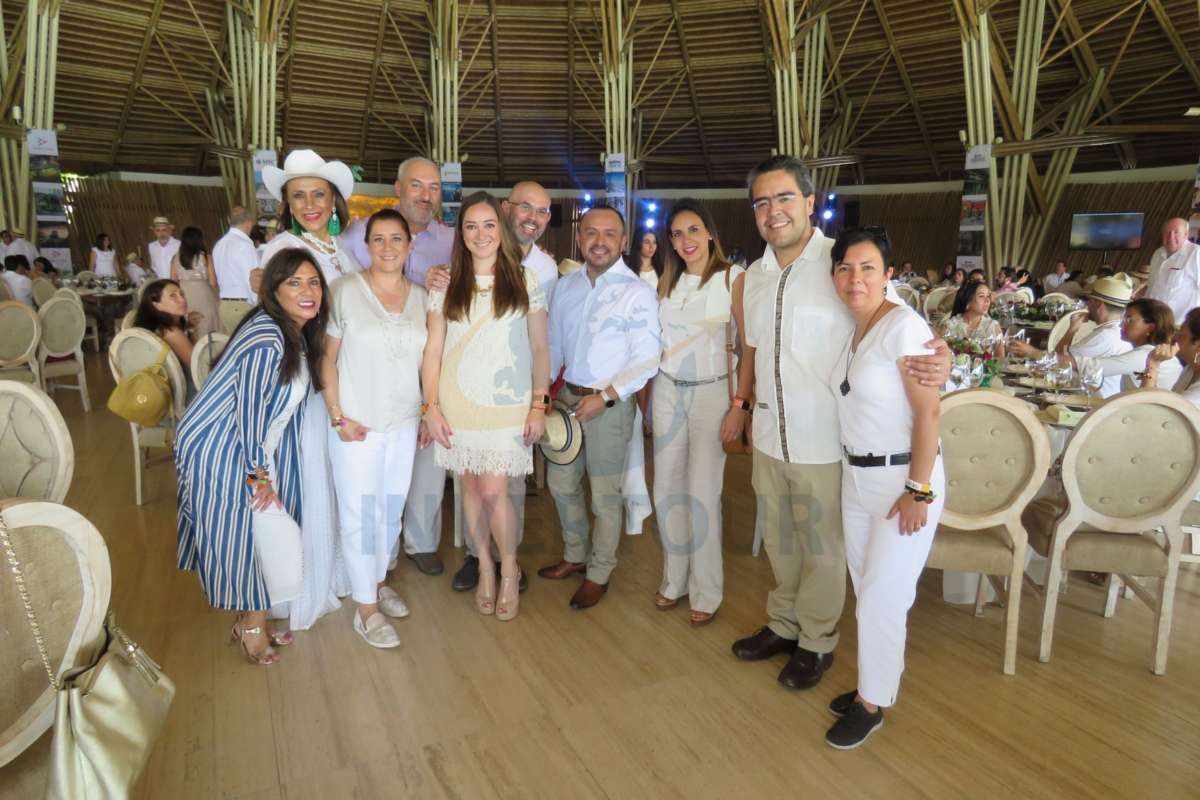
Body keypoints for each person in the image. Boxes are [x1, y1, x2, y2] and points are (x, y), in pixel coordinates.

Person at [729, 155, 949, 693]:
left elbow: (896, 322)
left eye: (784, 199)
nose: (773, 211)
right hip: (769, 432)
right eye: (762, 202)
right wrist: (739, 402)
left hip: (825, 436)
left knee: (820, 547)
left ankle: (817, 641)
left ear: (808, 203)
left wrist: (943, 359)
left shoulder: (843, 262)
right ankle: (784, 624)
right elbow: (752, 347)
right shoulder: (753, 277)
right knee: (781, 541)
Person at [175, 248, 328, 665]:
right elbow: (249, 413)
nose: (307, 290)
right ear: (273, 291)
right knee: (264, 534)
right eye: (294, 282)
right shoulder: (267, 338)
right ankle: (253, 627)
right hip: (223, 447)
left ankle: (251, 618)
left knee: (262, 534)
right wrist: (259, 477)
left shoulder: (290, 333)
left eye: (313, 281)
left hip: (251, 447)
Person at [823, 227, 944, 749]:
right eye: (846, 268)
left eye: (868, 267)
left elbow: (929, 410)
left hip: (904, 481)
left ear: (889, 274)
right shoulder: (857, 327)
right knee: (866, 586)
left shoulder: (903, 327)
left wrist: (919, 490)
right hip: (859, 477)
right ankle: (873, 683)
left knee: (882, 599)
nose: (856, 278)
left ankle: (872, 705)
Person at [422, 193, 550, 621]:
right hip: (458, 402)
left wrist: (538, 404)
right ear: (461, 233)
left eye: (489, 225)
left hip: (507, 403)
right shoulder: (446, 282)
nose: (481, 234)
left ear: (502, 228)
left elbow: (539, 346)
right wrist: (431, 407)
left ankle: (510, 569)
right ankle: (486, 568)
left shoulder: (524, 279)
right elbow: (433, 352)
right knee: (472, 489)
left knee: (495, 490)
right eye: (471, 226)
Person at [259, 148, 364, 632]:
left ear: (335, 200)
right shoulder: (280, 249)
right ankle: (303, 581)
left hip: (338, 381)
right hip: (305, 382)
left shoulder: (339, 249)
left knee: (335, 477)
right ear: (286, 203)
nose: (309, 204)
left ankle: (342, 571)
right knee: (308, 477)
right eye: (298, 196)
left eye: (318, 194)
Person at [540, 205, 661, 609]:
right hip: (565, 400)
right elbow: (553, 346)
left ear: (623, 242)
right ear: (580, 238)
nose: (600, 241)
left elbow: (647, 359)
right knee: (561, 484)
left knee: (605, 495)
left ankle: (599, 571)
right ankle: (575, 555)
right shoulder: (566, 287)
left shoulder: (636, 292)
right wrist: (543, 395)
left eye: (610, 234)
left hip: (609, 404)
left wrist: (605, 397)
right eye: (591, 232)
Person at [342, 156, 453, 577]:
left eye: (434, 187)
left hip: (429, 359)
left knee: (425, 458)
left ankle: (421, 540)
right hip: (372, 365)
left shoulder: (453, 240)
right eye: (417, 185)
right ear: (399, 186)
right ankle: (376, 555)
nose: (426, 195)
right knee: (376, 465)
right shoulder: (357, 234)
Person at [320, 209, 426, 647]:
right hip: (355, 423)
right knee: (360, 512)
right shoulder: (344, 290)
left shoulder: (422, 296)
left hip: (403, 421)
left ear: (409, 245)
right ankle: (365, 608)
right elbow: (326, 359)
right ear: (366, 246)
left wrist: (426, 411)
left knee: (389, 511)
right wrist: (337, 415)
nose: (387, 247)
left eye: (395, 239)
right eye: (378, 239)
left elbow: (427, 361)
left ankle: (379, 582)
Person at [652, 198, 745, 626]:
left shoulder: (733, 279)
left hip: (713, 394)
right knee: (667, 490)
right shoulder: (665, 283)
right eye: (676, 233)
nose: (685, 240)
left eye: (693, 230)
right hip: (669, 389)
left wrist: (739, 404)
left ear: (709, 232)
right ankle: (675, 579)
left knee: (702, 492)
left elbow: (751, 345)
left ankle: (707, 590)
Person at [1010, 272, 1135, 397]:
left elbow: (1058, 362)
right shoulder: (1120, 332)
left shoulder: (1105, 336)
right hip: (1099, 398)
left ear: (1098, 304)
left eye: (1089, 301)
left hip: (1088, 402)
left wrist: (1031, 351)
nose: (1087, 305)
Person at [1061, 298, 1180, 393]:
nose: (1121, 325)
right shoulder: (1149, 351)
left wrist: (1048, 357)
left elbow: (1089, 366)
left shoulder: (1147, 354)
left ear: (1150, 327)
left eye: (1129, 319)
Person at [133, 278, 198, 398]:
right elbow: (197, 365)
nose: (182, 299)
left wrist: (191, 328)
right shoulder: (170, 332)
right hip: (180, 390)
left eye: (182, 294)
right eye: (173, 296)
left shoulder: (158, 326)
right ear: (156, 305)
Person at [1145, 218, 1200, 324]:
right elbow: (1151, 286)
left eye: (1176, 232)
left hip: (1179, 326)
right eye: (1167, 232)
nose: (1171, 237)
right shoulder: (1158, 254)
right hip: (1153, 321)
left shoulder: (1196, 254)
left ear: (1186, 234)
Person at [172, 226, 220, 338]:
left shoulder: (175, 258)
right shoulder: (206, 257)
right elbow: (213, 282)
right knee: (207, 326)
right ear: (199, 240)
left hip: (184, 297)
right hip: (204, 296)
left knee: (191, 328)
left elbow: (173, 282)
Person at [1145, 307, 1200, 402]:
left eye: (1181, 331)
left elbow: (1152, 413)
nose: (1174, 337)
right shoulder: (1190, 369)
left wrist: (1153, 365)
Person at [942, 281, 1005, 357]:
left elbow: (1001, 359)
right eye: (981, 296)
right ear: (968, 302)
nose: (987, 300)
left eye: (988, 296)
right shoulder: (950, 326)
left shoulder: (993, 326)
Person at [213, 206, 259, 307]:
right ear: (249, 223)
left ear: (229, 221)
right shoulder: (245, 245)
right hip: (242, 305)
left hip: (224, 304)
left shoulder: (219, 245)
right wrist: (258, 305)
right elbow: (252, 280)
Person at [147, 216, 180, 280]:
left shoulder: (178, 245)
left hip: (176, 282)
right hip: (161, 283)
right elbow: (154, 266)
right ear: (154, 232)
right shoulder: (151, 246)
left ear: (170, 230)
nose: (161, 234)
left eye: (164, 230)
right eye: (158, 230)